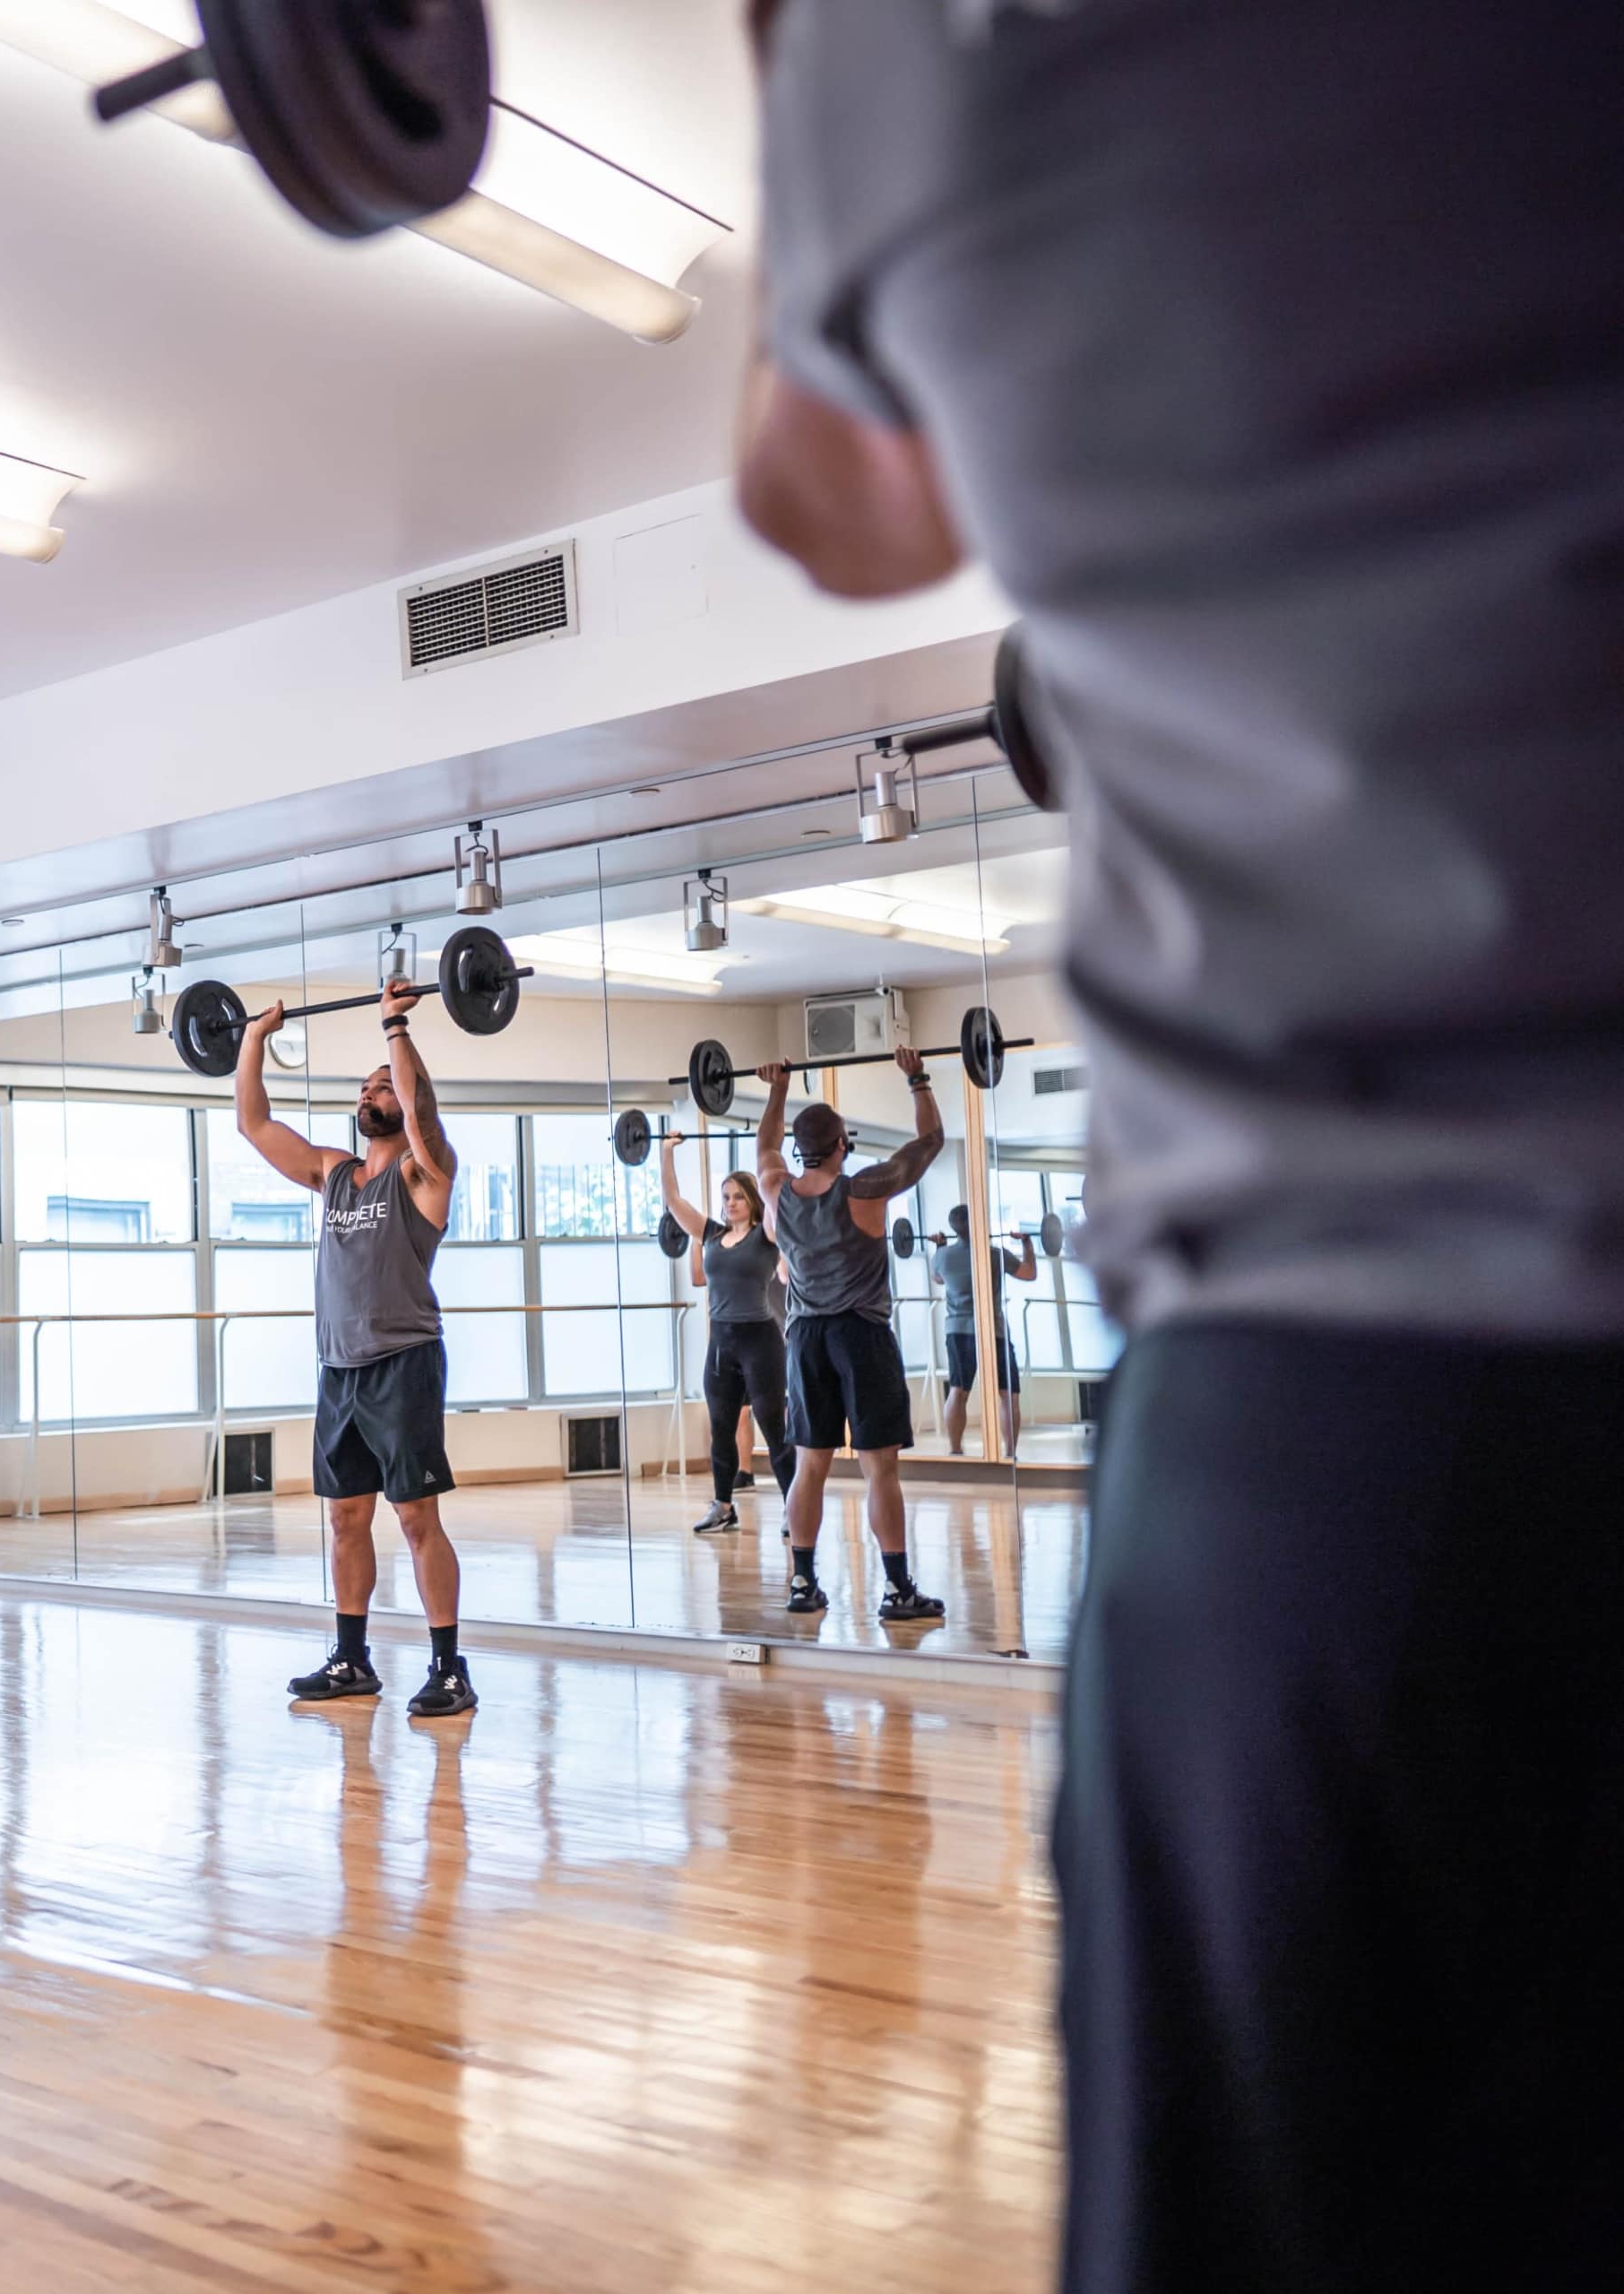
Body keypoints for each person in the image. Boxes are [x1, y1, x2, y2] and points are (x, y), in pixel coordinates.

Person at [739, 4, 1624, 2283]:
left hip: (1330, 1420)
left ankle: (858, 1574)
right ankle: (840, 1573)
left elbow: (828, 493)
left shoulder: (926, 55)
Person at [234, 984, 478, 1720]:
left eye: (383, 1083)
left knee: (414, 1519)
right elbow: (254, 1123)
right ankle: (352, 1657)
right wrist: (252, 1040)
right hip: (340, 1371)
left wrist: (395, 1025)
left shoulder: (423, 1173)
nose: (371, 1091)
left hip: (403, 1363)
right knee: (344, 1520)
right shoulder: (336, 1172)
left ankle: (447, 1667)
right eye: (365, 1086)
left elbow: (423, 1111)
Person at [754, 1052, 946, 1623]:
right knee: (878, 1468)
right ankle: (896, 1589)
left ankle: (803, 1582)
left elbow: (765, 1147)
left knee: (810, 1465)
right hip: (861, 1335)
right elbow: (931, 1142)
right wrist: (917, 1078)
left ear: (799, 1147)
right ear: (842, 1144)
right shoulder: (864, 1191)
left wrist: (777, 1089)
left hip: (806, 1337)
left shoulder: (775, 1190)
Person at [661, 1133, 793, 1534]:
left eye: (737, 1196)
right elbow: (674, 1202)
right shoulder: (712, 1235)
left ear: (752, 1199)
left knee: (774, 1428)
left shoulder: (766, 1236)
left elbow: (778, 1198)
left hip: (761, 1342)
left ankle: (794, 1506)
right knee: (721, 1427)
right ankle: (723, 1506)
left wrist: (771, 1158)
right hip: (722, 1345)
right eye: (725, 1197)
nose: (729, 1203)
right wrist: (666, 1153)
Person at [932, 1204, 1033, 1460]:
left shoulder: (942, 1257)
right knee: (1008, 1394)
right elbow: (1029, 1273)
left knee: (957, 1390)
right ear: (978, 1224)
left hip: (957, 1331)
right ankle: (1010, 1454)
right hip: (993, 1331)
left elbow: (939, 1279)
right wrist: (1027, 1245)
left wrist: (941, 1247)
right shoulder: (995, 1255)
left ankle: (955, 1451)